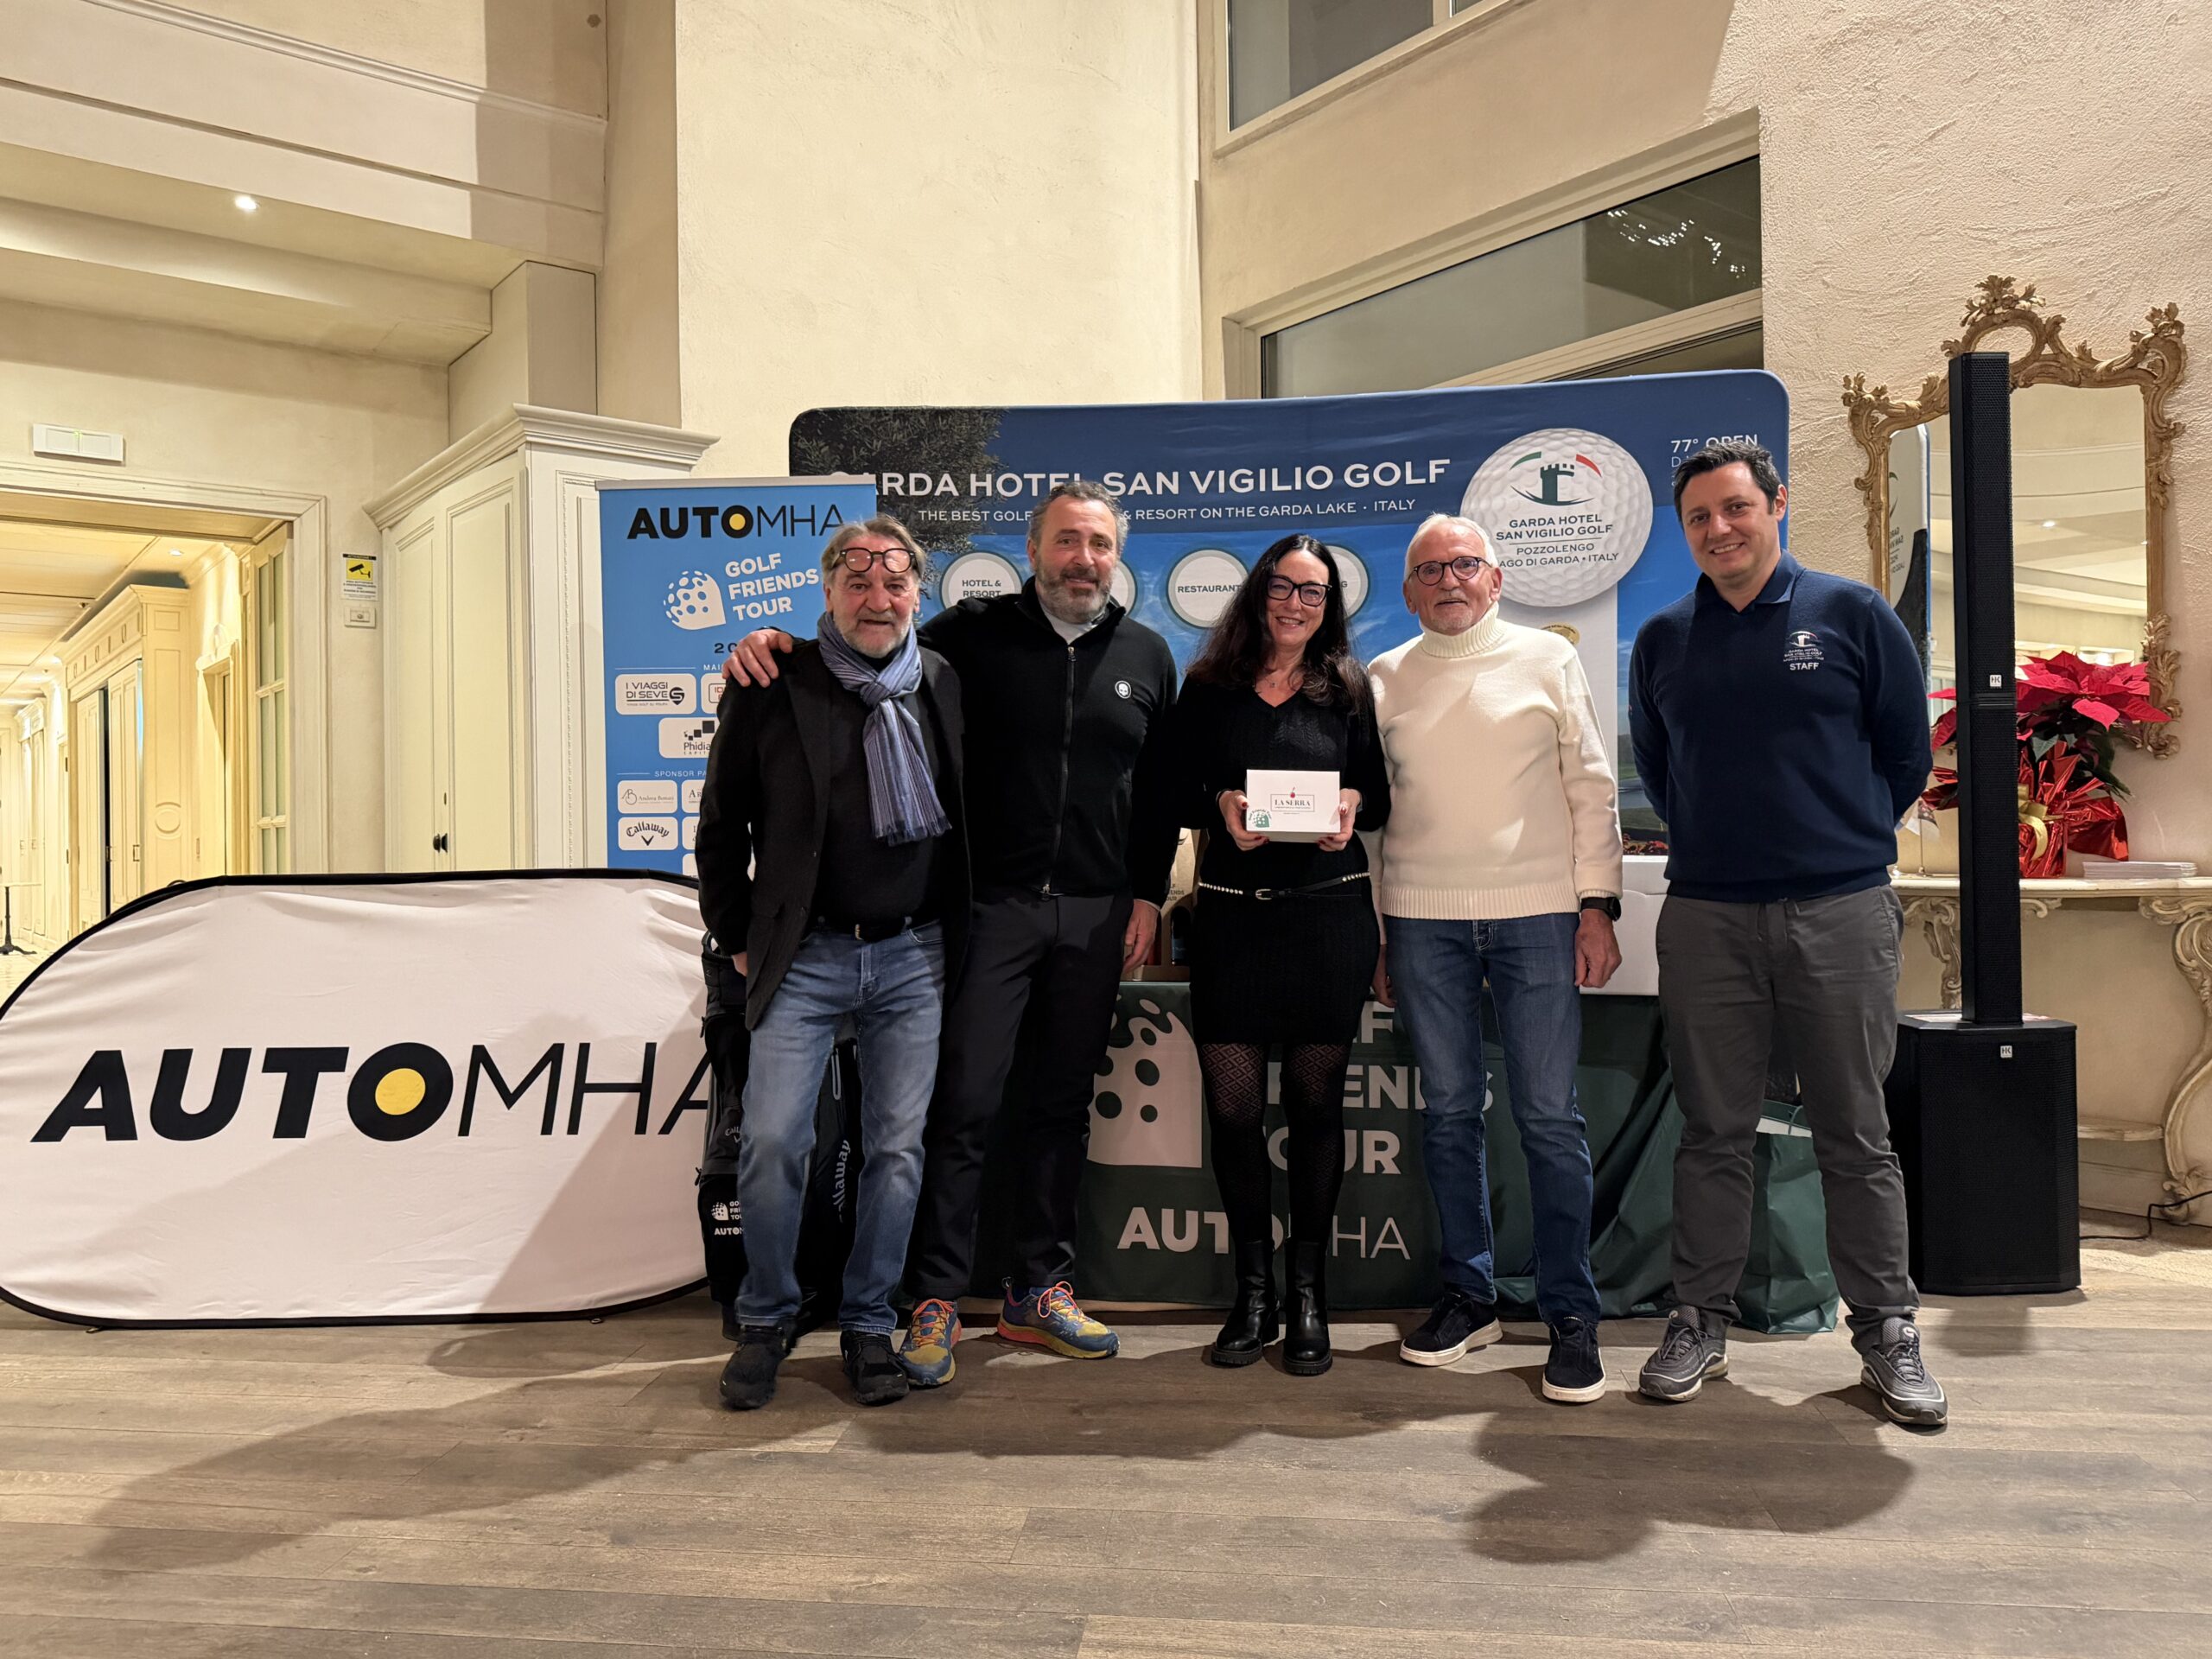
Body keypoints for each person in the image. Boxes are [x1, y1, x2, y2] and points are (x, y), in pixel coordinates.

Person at [721, 480, 1179, 1382]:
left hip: (1094, 916)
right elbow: (865, 647)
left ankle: (1037, 1290)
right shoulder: (966, 639)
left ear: (1117, 556)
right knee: (960, 1110)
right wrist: (768, 641)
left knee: (1059, 1108)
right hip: (986, 912)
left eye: (1098, 544)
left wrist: (1148, 895)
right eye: (1066, 541)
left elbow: (1158, 791)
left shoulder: (1149, 655)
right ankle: (933, 1297)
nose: (1083, 559)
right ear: (1033, 550)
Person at [1628, 439, 1945, 1427]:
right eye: (1698, 517)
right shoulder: (1664, 639)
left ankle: (1885, 1328)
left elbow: (1905, 755)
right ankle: (1699, 1322)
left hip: (1840, 910)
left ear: (1775, 505)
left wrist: (1834, 839)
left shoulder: (1851, 613)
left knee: (1855, 1131)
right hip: (1707, 915)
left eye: (1735, 508)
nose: (1717, 529)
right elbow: (1662, 771)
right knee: (1712, 1131)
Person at [695, 516, 969, 1411]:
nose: (876, 599)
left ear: (917, 593)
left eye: (894, 582)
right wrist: (737, 935)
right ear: (827, 592)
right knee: (775, 1141)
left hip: (915, 955)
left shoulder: (941, 682)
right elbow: (721, 825)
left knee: (895, 1150)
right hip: (804, 955)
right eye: (858, 582)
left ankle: (867, 1322)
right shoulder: (774, 680)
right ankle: (766, 1316)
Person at [1369, 513, 1622, 1406]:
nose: (1449, 580)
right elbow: (1370, 823)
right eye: (1430, 570)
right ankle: (1468, 1299)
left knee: (1549, 1118)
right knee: (1447, 1116)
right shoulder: (1382, 678)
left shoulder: (1547, 659)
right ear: (1408, 591)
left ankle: (1570, 1314)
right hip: (1419, 920)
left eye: (1465, 565)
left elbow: (1590, 786)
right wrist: (1380, 931)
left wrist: (1597, 905)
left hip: (1538, 918)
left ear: (1496, 579)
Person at [1166, 535, 1389, 1376]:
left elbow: (1378, 797)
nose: (1297, 603)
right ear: (1259, 591)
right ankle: (1253, 1293)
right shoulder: (1209, 686)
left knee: (1314, 1105)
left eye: (1314, 591)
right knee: (1233, 1112)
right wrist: (1220, 801)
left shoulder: (1348, 688)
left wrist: (1350, 801)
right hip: (1231, 921)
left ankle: (1308, 1296)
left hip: (1327, 921)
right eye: (1284, 586)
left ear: (1329, 605)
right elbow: (1173, 787)